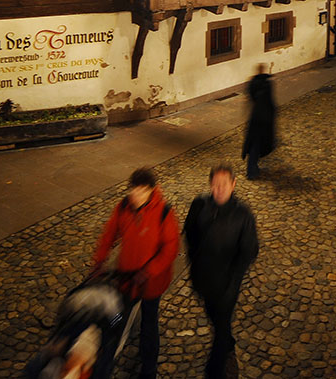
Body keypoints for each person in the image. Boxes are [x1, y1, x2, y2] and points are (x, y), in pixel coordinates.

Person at [91, 167, 179, 379]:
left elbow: (170, 249)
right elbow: (109, 234)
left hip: (151, 284)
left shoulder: (164, 212)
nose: (136, 195)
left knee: (149, 324)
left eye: (142, 191)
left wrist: (148, 271)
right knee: (116, 317)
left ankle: (149, 368)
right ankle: (106, 355)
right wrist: (99, 261)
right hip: (126, 278)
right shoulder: (123, 207)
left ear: (152, 190)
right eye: (134, 190)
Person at [184, 164, 259, 379]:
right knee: (214, 317)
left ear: (233, 184)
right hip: (203, 280)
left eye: (224, 184)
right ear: (210, 184)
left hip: (227, 285)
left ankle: (215, 370)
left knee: (221, 326)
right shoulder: (199, 205)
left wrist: (233, 282)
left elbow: (249, 251)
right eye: (216, 184)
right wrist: (196, 262)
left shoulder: (243, 214)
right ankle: (228, 342)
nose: (219, 189)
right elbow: (190, 234)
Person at [241, 65, 276, 179]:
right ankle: (252, 171)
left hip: (256, 117)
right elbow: (270, 100)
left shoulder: (253, 82)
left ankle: (253, 168)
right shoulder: (266, 84)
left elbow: (251, 96)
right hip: (263, 119)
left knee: (255, 144)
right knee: (257, 144)